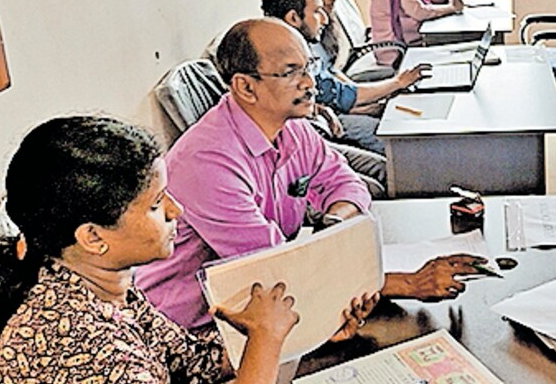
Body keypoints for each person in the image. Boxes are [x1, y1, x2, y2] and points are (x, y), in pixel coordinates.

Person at [0, 116, 346, 384]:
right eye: (155, 204)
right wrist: (264, 340)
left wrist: (307, 325)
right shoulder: (75, 345)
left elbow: (193, 361)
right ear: (93, 237)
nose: (176, 210)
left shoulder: (104, 287)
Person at [135, 19, 482, 332]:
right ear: (246, 87)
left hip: (264, 302)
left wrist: (335, 221)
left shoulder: (292, 128)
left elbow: (345, 182)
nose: (309, 83)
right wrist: (405, 283)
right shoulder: (208, 161)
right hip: (195, 330)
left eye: (308, 67)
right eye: (291, 73)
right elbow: (274, 266)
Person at [262, 0, 428, 156]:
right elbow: (337, 94)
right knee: (392, 143)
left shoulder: (306, 46)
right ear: (293, 18)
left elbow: (331, 88)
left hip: (329, 116)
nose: (324, 18)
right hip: (320, 133)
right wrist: (398, 83)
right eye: (317, 11)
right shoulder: (281, 63)